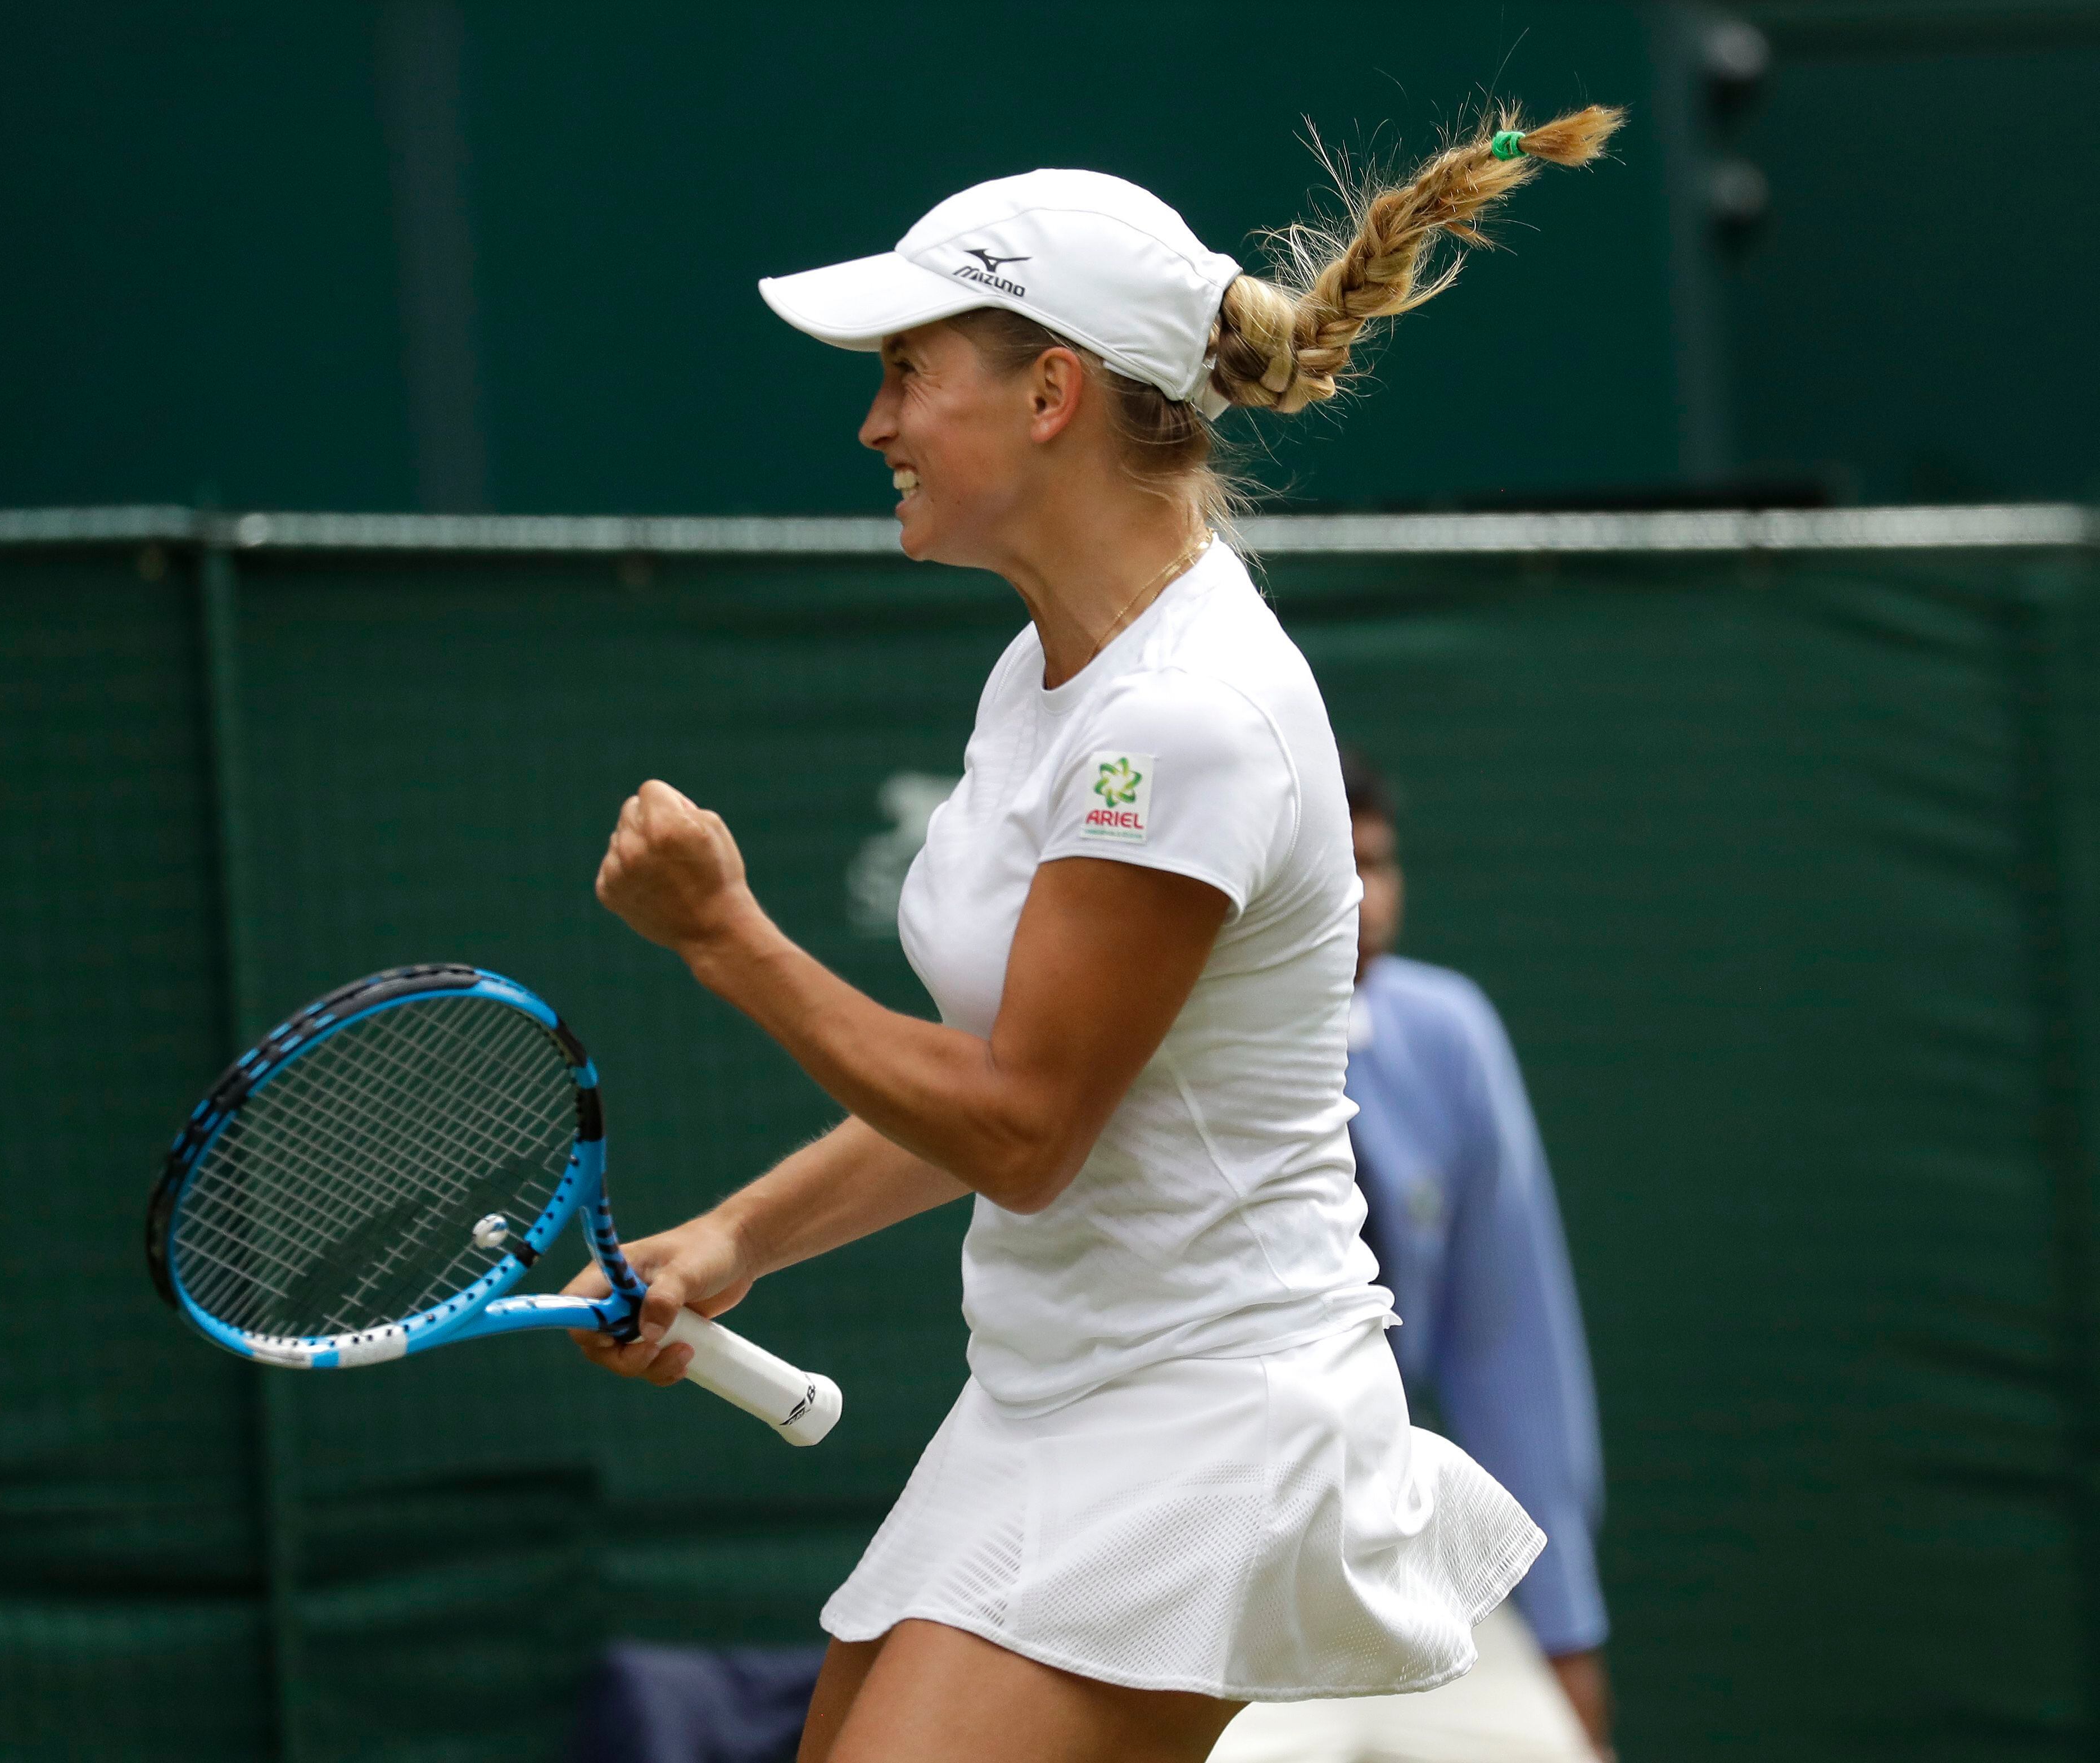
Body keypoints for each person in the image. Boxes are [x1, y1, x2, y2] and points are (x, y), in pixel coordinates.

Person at [565, 105, 1622, 1763]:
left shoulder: (1186, 717)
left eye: (909, 372)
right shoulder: (1042, 682)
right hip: (1049, 1405)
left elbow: (1025, 1130)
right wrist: (738, 1237)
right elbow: (1018, 1087)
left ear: (1049, 393)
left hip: (1211, 1428)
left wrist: (727, 940)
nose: (872, 422)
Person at [1210, 751, 1613, 1763]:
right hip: (1210, 1570)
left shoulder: (1447, 1035)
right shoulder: (1155, 1042)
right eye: (1330, 868)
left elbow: (1508, 1355)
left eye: (1377, 863)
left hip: (1405, 1549)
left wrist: (1561, 1629)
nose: (1363, 900)